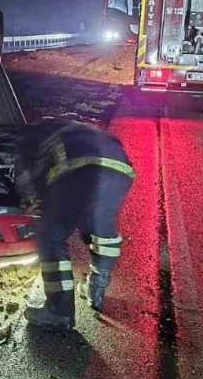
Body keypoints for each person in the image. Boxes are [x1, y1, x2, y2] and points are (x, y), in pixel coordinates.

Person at [16, 119, 134, 329]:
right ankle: (95, 290)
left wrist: (40, 200)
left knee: (50, 236)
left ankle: (59, 311)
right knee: (101, 229)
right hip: (120, 170)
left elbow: (35, 169)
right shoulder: (78, 129)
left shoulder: (33, 135)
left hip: (79, 168)